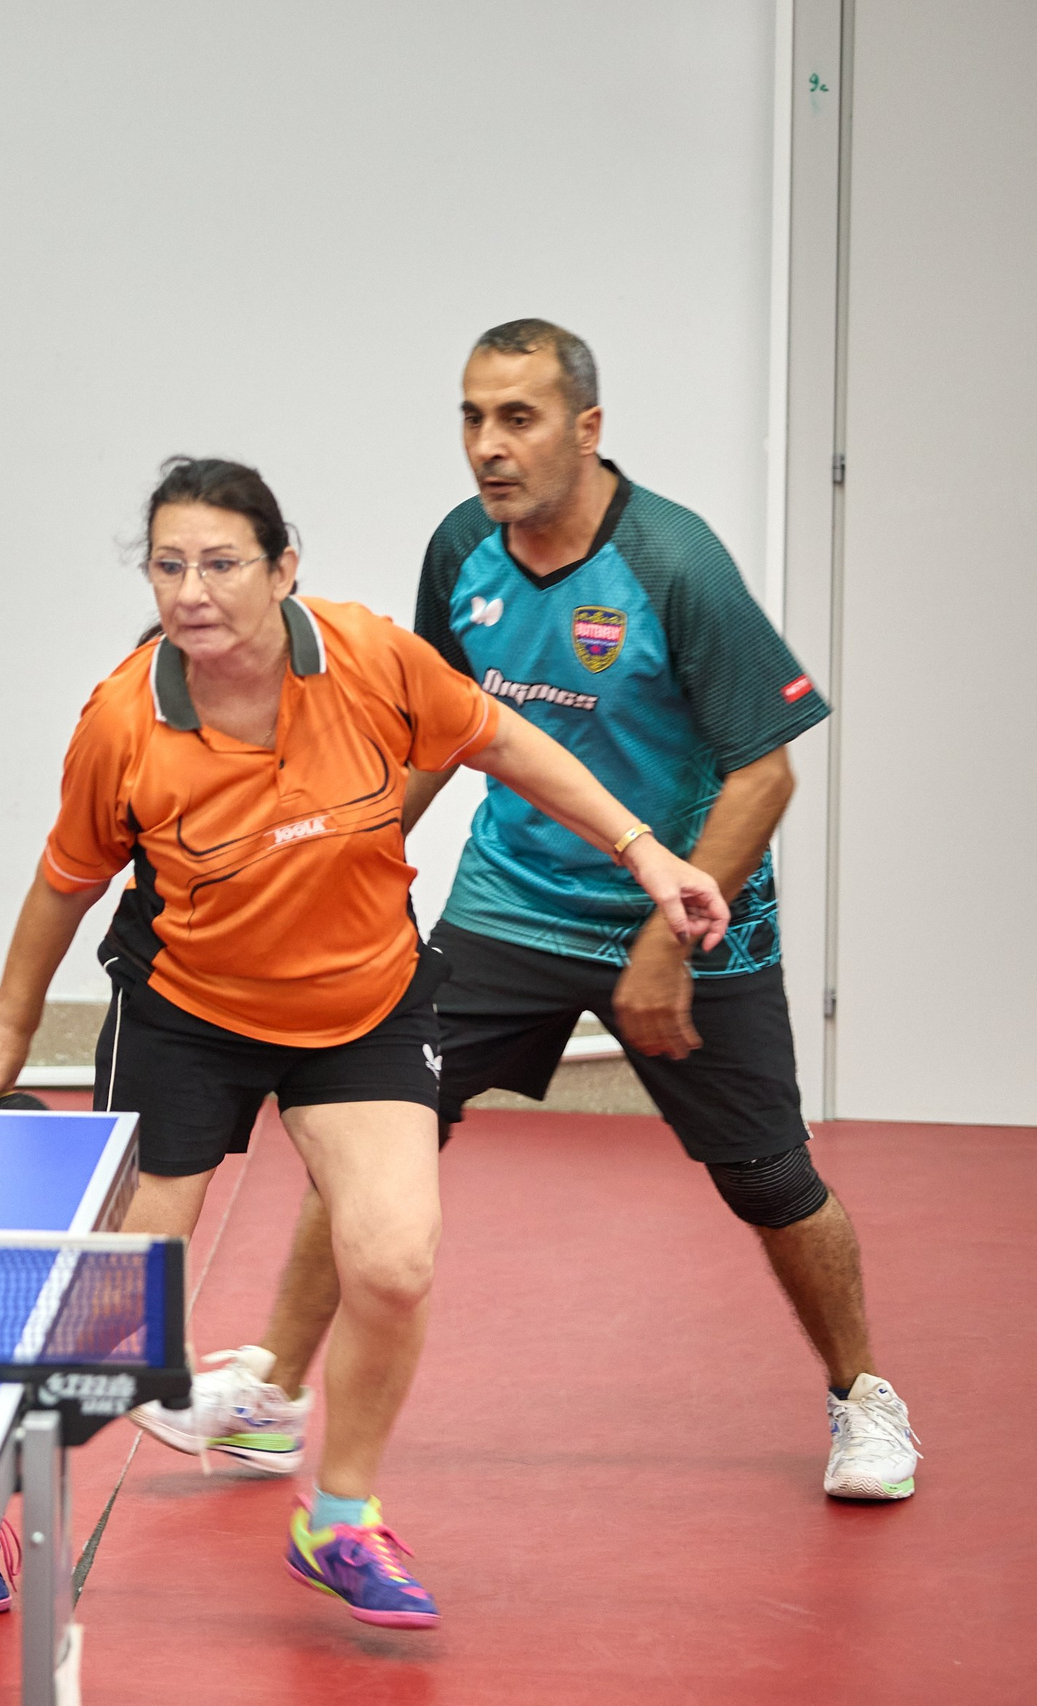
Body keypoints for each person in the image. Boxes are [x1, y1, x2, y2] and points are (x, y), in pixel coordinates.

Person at [0, 456, 730, 1626]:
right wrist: (8, 1020)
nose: (192, 590)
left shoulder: (367, 657)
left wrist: (646, 851)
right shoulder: (124, 719)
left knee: (394, 1261)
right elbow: (65, 880)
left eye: (220, 562)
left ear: (282, 567)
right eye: (169, 565)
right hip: (188, 1011)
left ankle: (340, 1517)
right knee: (125, 1307)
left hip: (360, 1004)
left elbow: (505, 745)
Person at [164, 320, 920, 1505]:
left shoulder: (674, 564)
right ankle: (272, 1392)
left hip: (688, 908)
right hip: (509, 900)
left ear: (586, 427)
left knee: (769, 1178)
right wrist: (346, 865)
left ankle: (863, 1393)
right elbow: (427, 723)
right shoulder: (462, 548)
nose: (487, 446)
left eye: (516, 417)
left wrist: (666, 942)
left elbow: (764, 771)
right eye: (471, 417)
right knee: (371, 1132)